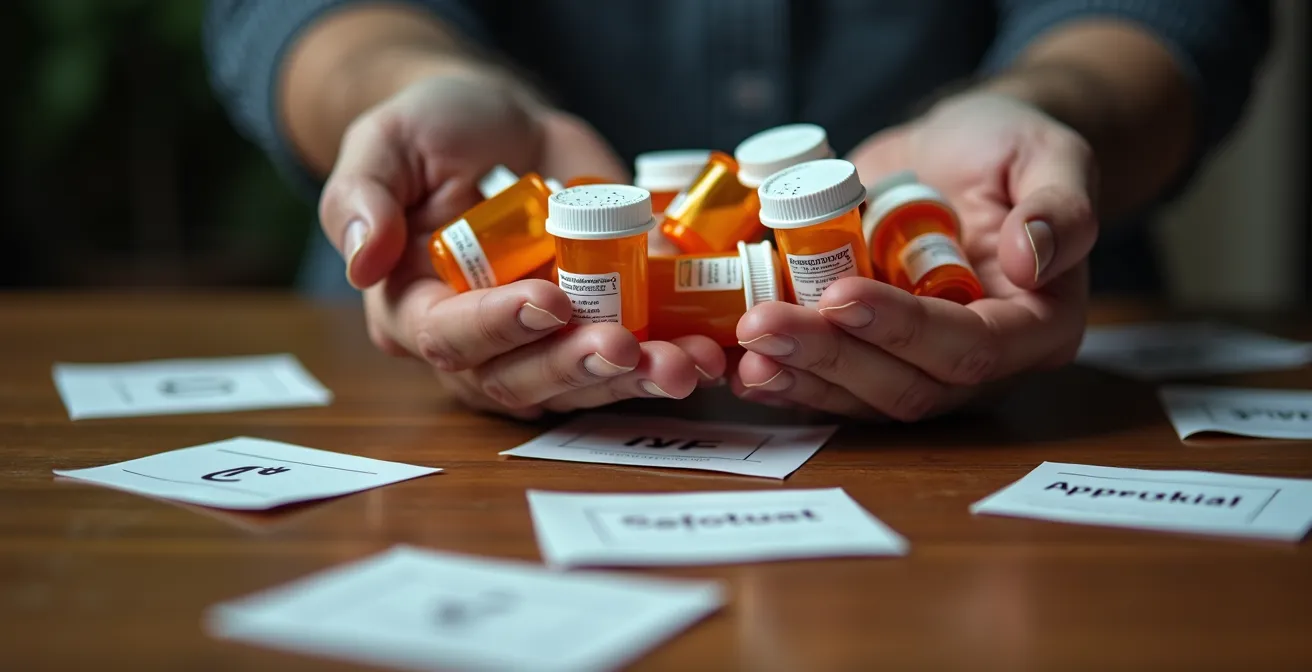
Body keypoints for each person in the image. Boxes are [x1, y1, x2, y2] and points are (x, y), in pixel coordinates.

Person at [203, 0, 1271, 421]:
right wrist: (390, 81)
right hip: (430, 408)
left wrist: (1040, 108)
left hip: (1048, 386)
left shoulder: (862, 234)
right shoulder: (603, 236)